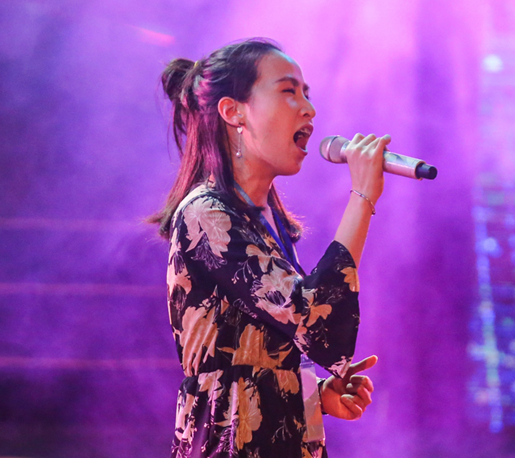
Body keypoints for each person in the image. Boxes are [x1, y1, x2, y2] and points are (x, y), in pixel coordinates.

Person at [150, 38, 391, 458]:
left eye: (306, 94)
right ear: (234, 112)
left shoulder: (268, 225)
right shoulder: (207, 213)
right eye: (288, 91)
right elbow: (313, 318)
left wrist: (315, 394)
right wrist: (362, 197)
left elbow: (262, 350)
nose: (308, 109)